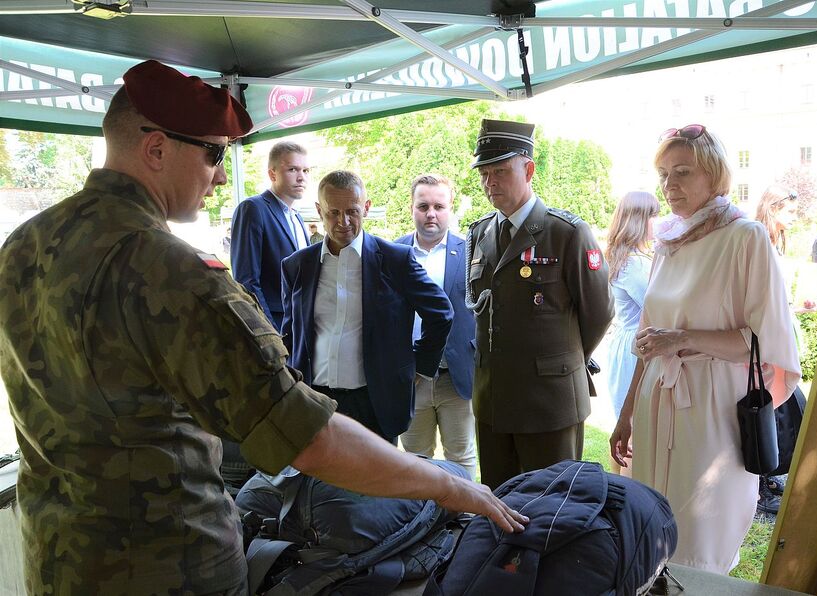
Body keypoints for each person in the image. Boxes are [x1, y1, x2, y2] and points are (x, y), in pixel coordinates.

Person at [0, 60, 525, 595]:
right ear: (156, 149)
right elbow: (308, 436)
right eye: (213, 153)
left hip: (57, 560)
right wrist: (447, 485)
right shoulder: (172, 273)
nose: (222, 175)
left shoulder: (22, 248)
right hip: (168, 567)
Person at [609, 124, 800, 574]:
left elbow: (765, 342)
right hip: (658, 400)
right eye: (663, 175)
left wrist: (685, 339)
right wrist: (626, 414)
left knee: (700, 532)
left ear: (714, 175)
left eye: (682, 172)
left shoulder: (745, 237)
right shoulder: (669, 241)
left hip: (712, 409)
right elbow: (651, 336)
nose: (669, 186)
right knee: (652, 525)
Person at [466, 119, 614, 489]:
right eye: (484, 173)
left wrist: (560, 362)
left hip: (549, 403)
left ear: (529, 169)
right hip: (493, 401)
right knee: (499, 503)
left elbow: (598, 312)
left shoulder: (566, 233)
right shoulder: (481, 232)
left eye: (500, 171)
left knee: (551, 510)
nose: (490, 182)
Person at [281, 170, 453, 445]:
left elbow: (441, 313)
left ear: (367, 207)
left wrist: (419, 367)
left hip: (375, 403)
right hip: (314, 400)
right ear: (318, 210)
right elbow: (290, 331)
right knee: (320, 485)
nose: (343, 222)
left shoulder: (395, 260)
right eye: (333, 212)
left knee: (375, 487)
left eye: (352, 211)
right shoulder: (297, 265)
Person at [396, 174, 477, 479]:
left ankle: (467, 520)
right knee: (416, 461)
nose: (431, 213)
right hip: (411, 380)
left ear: (450, 207)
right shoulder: (394, 253)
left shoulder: (471, 252)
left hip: (455, 377)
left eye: (439, 206)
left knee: (462, 457)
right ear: (412, 208)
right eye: (424, 206)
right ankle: (423, 521)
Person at [753, 184, 803, 515]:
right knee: (767, 412)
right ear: (774, 209)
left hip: (778, 336)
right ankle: (758, 484)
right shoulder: (758, 243)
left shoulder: (774, 244)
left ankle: (766, 477)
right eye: (789, 210)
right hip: (765, 344)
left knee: (786, 411)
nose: (795, 217)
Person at [231, 141, 311, 329]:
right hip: (275, 327)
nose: (301, 177)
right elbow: (246, 280)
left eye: (306, 171)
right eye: (293, 169)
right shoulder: (253, 208)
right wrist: (270, 331)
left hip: (302, 328)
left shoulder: (297, 218)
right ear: (272, 173)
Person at [604, 191, 659, 425]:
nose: (659, 221)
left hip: (628, 342)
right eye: (654, 215)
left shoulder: (627, 258)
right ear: (640, 219)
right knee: (635, 429)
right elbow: (658, 308)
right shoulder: (635, 264)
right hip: (633, 347)